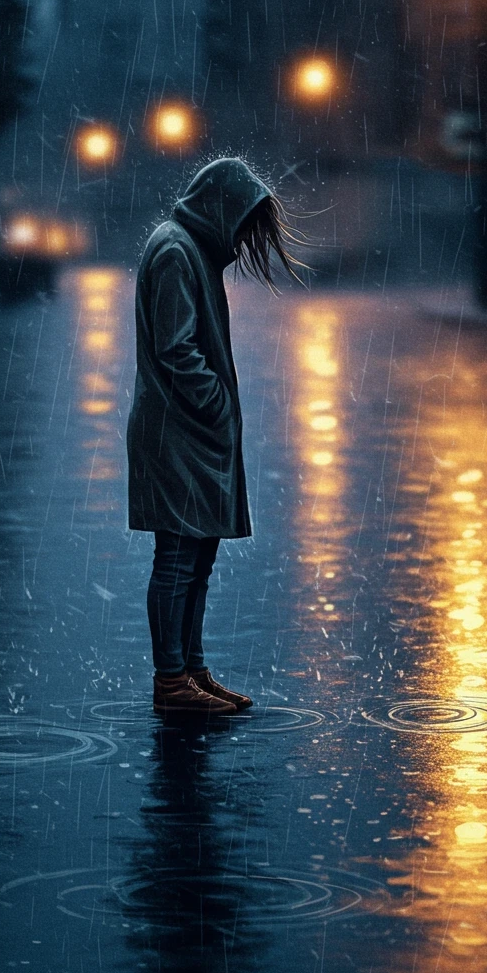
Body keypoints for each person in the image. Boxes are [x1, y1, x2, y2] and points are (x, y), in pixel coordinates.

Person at [126, 156, 308, 717]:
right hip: (178, 431)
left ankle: (191, 670)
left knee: (196, 557)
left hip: (188, 431)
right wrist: (215, 406)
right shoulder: (177, 250)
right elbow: (177, 348)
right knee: (179, 558)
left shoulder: (187, 247)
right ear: (222, 207)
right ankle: (171, 679)